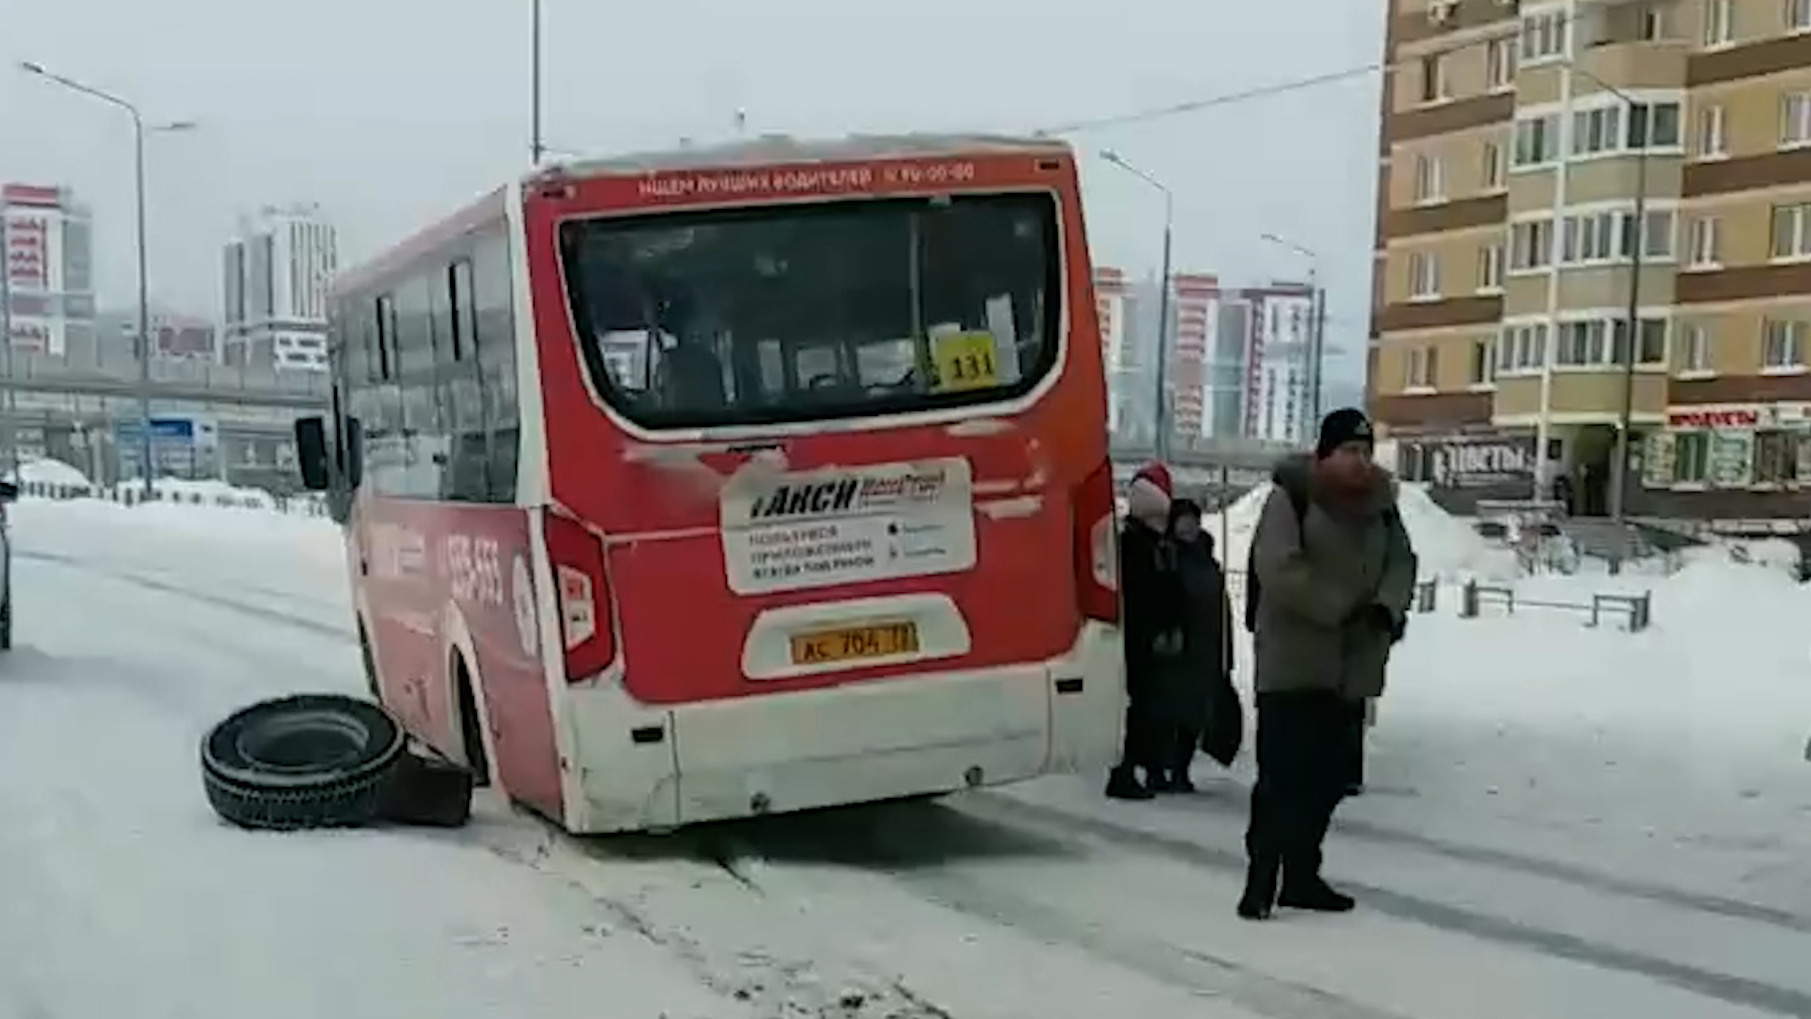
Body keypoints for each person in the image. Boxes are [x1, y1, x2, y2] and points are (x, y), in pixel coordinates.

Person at [1237, 408, 1417, 920]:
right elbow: (1279, 568)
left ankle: (1302, 874)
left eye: (1366, 451)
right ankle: (1261, 879)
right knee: (1282, 778)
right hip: (1294, 664)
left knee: (1330, 779)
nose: (1359, 462)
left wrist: (1385, 606)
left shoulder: (1382, 506)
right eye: (1349, 451)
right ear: (1325, 454)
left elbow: (1402, 561)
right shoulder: (1290, 499)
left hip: (1352, 668)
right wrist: (1340, 607)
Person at [1105, 462, 1187, 801]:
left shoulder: (1138, 542)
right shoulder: (1149, 546)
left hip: (1145, 635)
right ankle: (1128, 769)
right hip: (1144, 637)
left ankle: (1144, 767)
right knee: (1143, 706)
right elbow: (1152, 593)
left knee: (1149, 705)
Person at [1148, 498, 1236, 793]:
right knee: (1169, 711)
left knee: (1195, 711)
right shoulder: (1166, 555)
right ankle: (1160, 769)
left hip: (1205, 645)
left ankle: (1181, 769)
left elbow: (1220, 606)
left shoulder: (1206, 557)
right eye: (1183, 520)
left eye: (1193, 520)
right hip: (1177, 647)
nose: (1189, 526)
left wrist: (1225, 652)